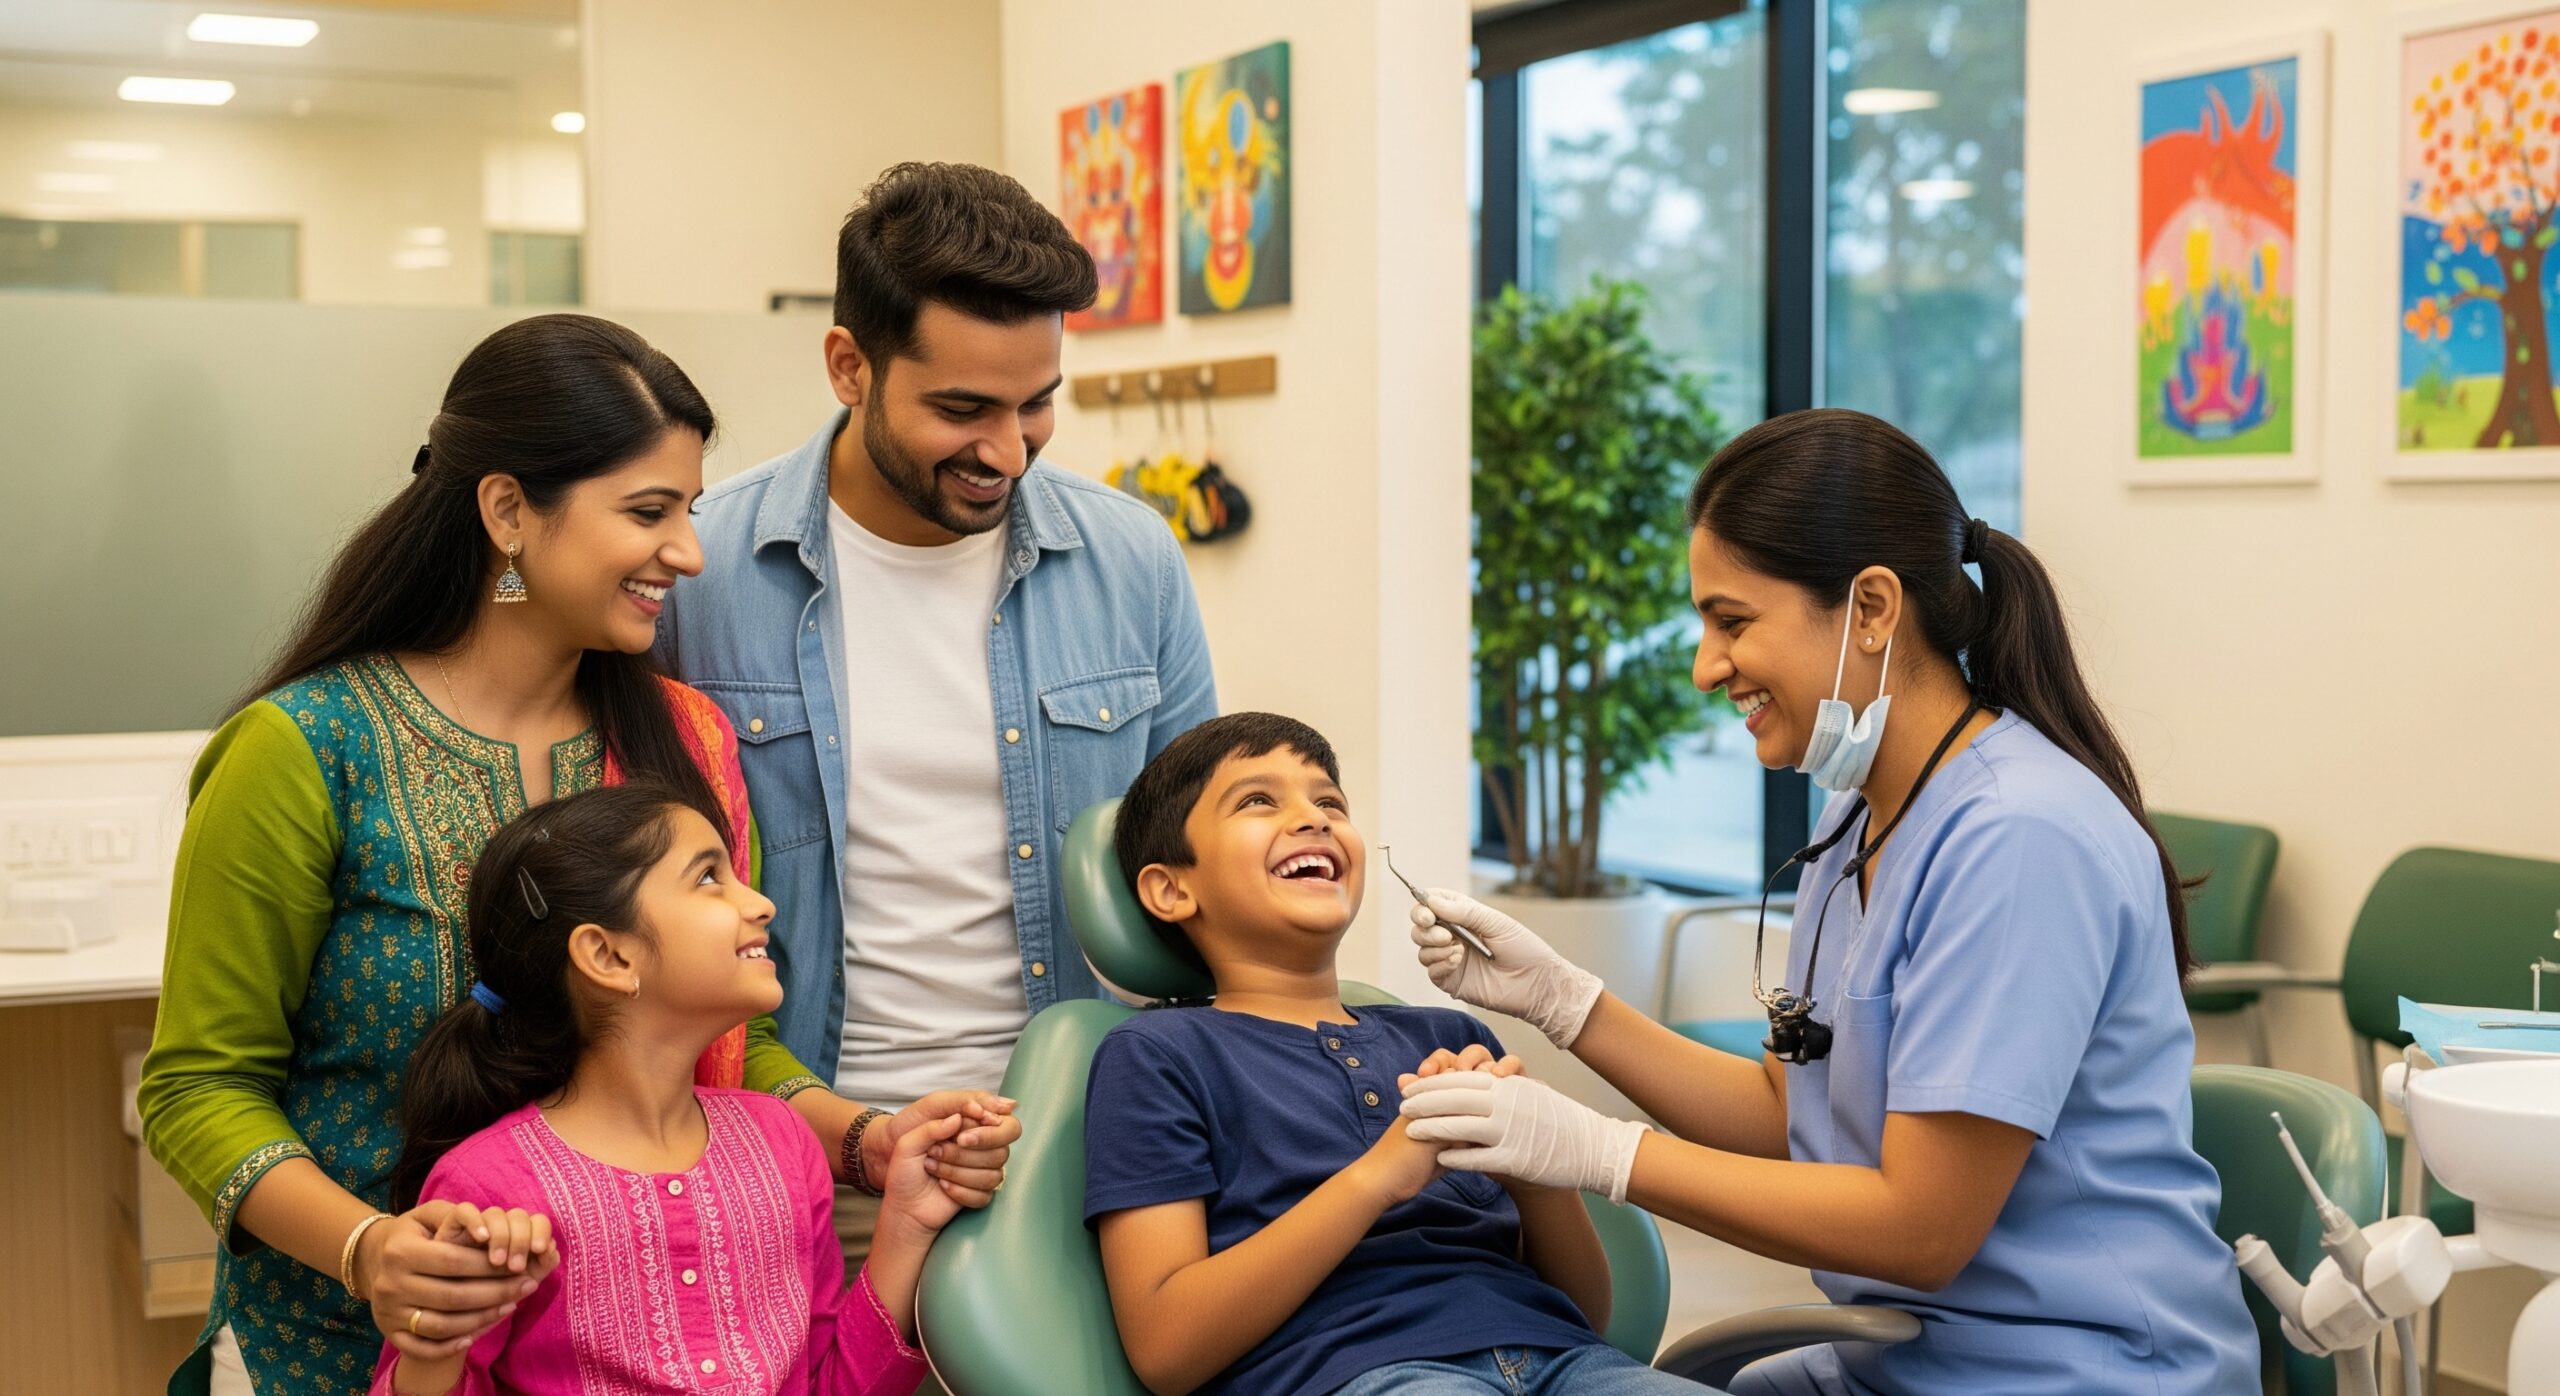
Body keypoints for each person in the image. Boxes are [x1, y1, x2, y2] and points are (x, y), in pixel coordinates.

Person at [138, 315, 1007, 1396]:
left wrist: (868, 1140)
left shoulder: (686, 739)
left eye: (689, 510)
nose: (688, 553)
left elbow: (741, 1051)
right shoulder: (306, 751)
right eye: (648, 512)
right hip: (326, 1350)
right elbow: (199, 1087)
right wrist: (376, 1254)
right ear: (507, 510)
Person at [1399, 408, 2258, 1395]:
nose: (1704, 666)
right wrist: (1566, 1004)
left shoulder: (2018, 839)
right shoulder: (1859, 820)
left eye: (1732, 621)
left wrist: (1596, 1150)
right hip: (1903, 1355)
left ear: (1872, 608)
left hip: (2079, 1371)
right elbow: (1788, 1112)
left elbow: (1920, 1227)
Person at [657, 161, 1215, 1269]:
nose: (1006, 451)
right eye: (961, 409)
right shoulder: (698, 571)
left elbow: (1201, 866)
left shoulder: (1132, 559)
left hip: (1087, 1152)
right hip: (802, 1158)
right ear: (848, 366)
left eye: (1036, 402)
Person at [1084, 713, 1713, 1396]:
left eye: (1329, 802)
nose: (1313, 818)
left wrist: (1538, 1175)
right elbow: (1167, 1350)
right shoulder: (1157, 1056)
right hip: (1360, 1375)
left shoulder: (1446, 1037)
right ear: (1172, 889)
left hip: (1574, 1365)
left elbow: (1587, 1313)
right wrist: (1379, 1175)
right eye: (1258, 800)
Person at [370, 784, 976, 1396]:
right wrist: (435, 1344)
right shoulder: (486, 1188)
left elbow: (832, 1385)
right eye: (709, 877)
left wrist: (907, 1221)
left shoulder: (781, 1140)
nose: (762, 904)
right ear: (608, 956)